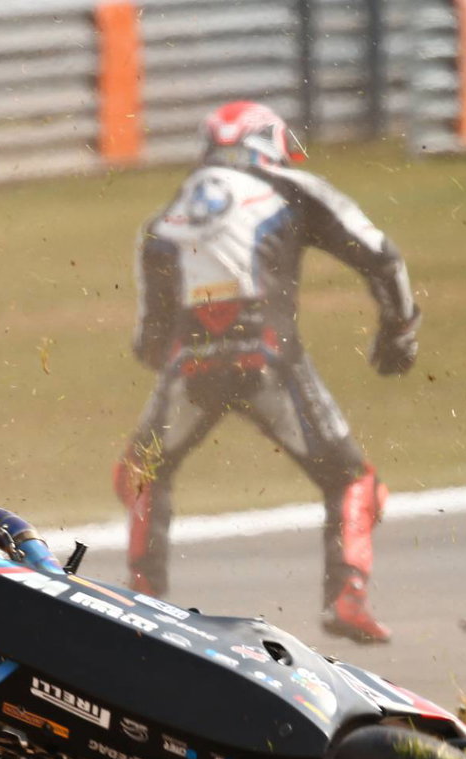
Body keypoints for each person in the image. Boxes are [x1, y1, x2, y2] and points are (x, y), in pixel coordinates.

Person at [111, 100, 421, 643]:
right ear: (267, 143)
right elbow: (381, 255)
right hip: (270, 357)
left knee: (141, 471)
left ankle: (143, 601)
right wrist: (399, 332)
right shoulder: (287, 187)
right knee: (353, 480)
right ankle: (347, 595)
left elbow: (149, 343)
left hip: (190, 364)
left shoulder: (168, 216)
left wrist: (197, 354)